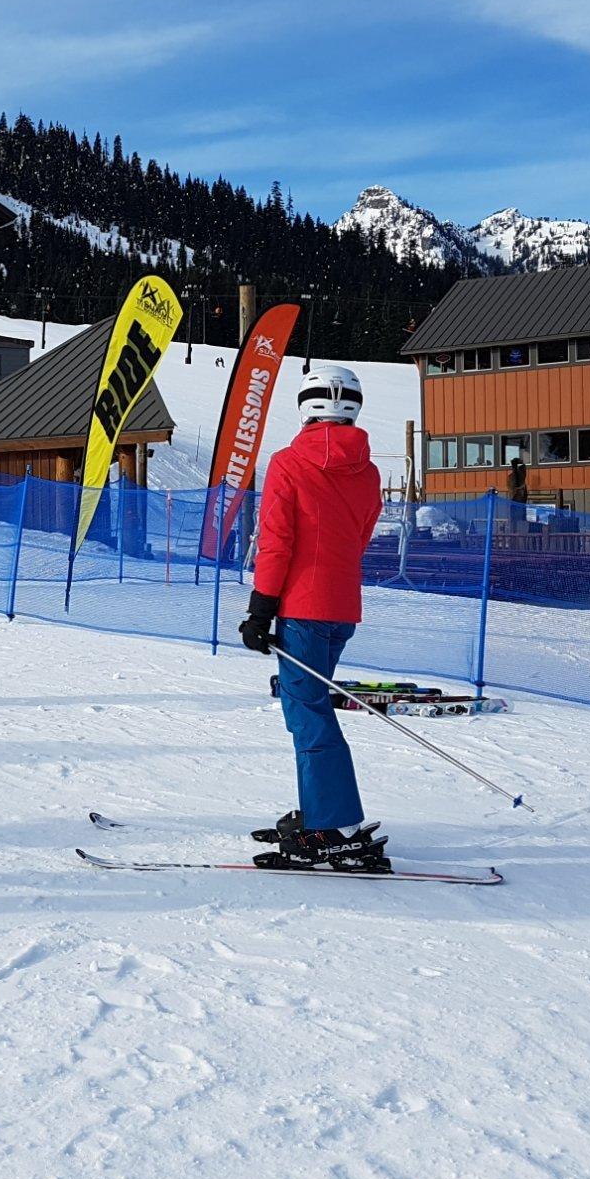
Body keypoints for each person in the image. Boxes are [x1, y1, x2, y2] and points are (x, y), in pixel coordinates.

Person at [237, 364, 387, 872]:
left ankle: (334, 825)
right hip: (341, 606)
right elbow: (361, 535)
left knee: (308, 715)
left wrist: (261, 608)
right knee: (310, 707)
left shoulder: (288, 463)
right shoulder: (366, 471)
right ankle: (323, 810)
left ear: (305, 405)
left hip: (301, 606)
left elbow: (277, 541)